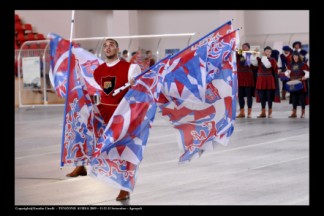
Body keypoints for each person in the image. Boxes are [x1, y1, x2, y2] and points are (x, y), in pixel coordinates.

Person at [66, 38, 141, 201]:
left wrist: (135, 84)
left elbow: (140, 93)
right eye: (105, 46)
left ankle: (124, 188)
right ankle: (81, 165)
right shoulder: (98, 71)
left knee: (124, 154)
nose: (108, 48)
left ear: (117, 49)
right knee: (83, 129)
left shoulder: (130, 68)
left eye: (111, 45)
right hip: (102, 115)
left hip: (121, 117)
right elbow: (99, 94)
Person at [251, 46, 280, 118]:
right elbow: (254, 63)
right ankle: (263, 112)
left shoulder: (272, 60)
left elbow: (267, 65)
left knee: (269, 96)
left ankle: (270, 111)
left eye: (269, 51)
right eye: (266, 51)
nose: (267, 53)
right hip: (261, 80)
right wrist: (254, 54)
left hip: (269, 79)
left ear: (270, 53)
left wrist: (263, 57)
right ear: (264, 52)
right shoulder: (260, 59)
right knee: (262, 96)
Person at [284, 51, 309, 118]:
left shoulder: (303, 64)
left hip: (301, 82)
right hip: (293, 82)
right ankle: (294, 113)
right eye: (294, 56)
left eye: (296, 56)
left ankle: (303, 113)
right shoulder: (290, 64)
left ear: (299, 57)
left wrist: (305, 77)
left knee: (302, 98)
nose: (295, 57)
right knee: (294, 97)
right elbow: (287, 72)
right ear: (292, 57)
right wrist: (287, 74)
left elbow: (307, 72)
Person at [236, 43, 255, 118]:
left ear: (248, 48)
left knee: (249, 96)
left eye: (246, 47)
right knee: (240, 96)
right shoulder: (238, 55)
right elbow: (233, 52)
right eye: (243, 47)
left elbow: (254, 64)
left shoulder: (251, 55)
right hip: (240, 78)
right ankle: (242, 112)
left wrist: (248, 54)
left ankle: (249, 112)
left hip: (248, 78)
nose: (244, 48)